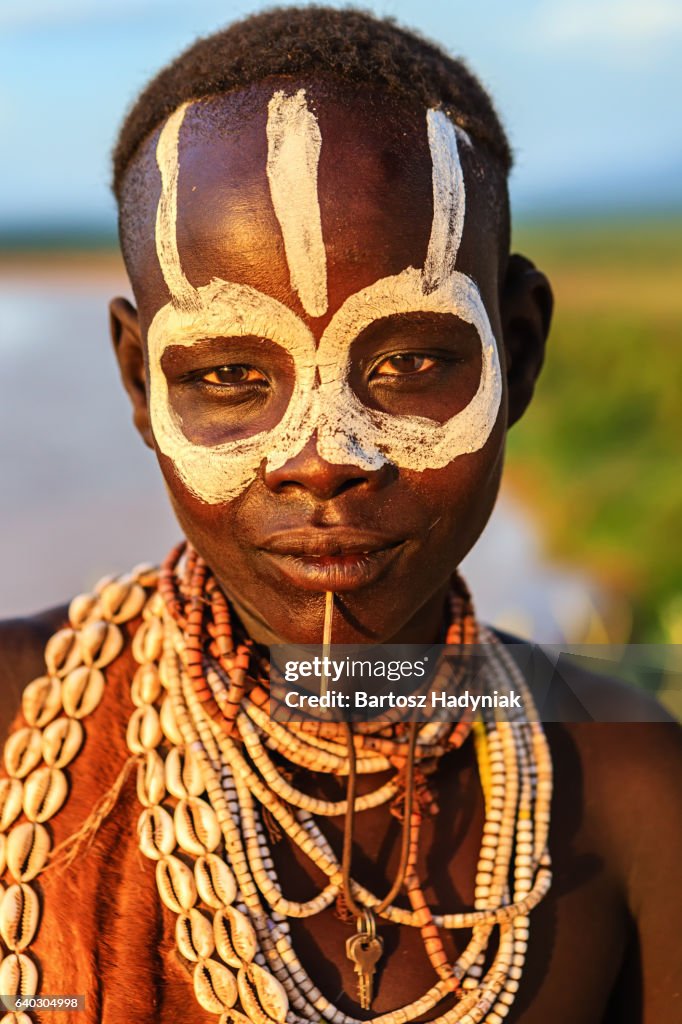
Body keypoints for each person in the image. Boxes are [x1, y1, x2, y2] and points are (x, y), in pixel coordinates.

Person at [0, 8, 680, 1024]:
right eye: (230, 373)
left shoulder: (627, 782)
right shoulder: (19, 726)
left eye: (407, 361)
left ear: (520, 352)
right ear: (141, 384)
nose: (322, 457)